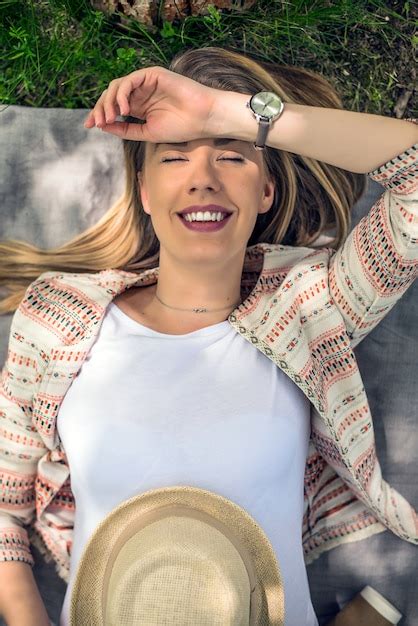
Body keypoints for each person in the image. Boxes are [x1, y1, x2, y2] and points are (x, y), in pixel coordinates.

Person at [0, 45, 416, 626]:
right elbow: (4, 515)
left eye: (231, 157)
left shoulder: (308, 309)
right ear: (144, 194)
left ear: (266, 192)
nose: (203, 180)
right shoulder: (55, 322)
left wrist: (233, 112)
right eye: (174, 159)